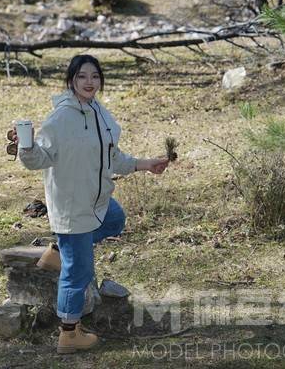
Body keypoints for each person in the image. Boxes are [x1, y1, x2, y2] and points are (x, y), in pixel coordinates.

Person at [13, 54, 169, 353]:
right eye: (82, 76)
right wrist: (26, 144)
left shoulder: (98, 112)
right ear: (71, 80)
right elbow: (37, 161)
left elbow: (113, 157)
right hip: (72, 209)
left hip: (96, 200)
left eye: (94, 76)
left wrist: (145, 164)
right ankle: (69, 334)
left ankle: (57, 251)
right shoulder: (59, 119)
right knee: (79, 273)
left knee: (115, 218)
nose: (89, 82)